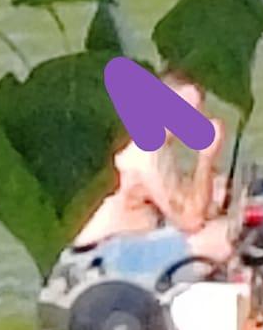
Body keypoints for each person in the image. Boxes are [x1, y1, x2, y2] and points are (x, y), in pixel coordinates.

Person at [72, 71, 227, 250]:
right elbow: (191, 221)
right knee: (219, 240)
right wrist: (206, 157)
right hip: (102, 254)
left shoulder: (159, 147)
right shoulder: (148, 155)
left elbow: (183, 202)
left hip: (128, 246)